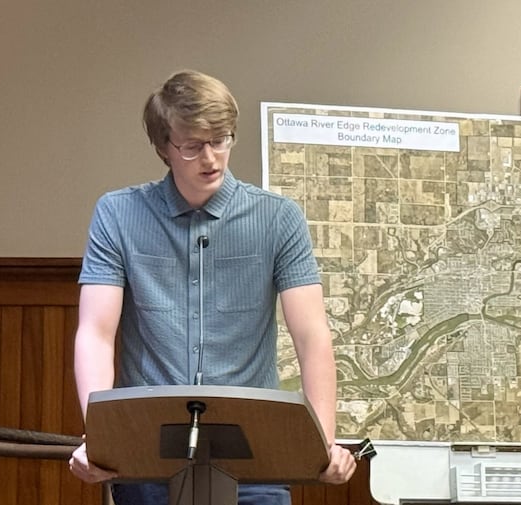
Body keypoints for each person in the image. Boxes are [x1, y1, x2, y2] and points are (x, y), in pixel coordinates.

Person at [68, 69, 357, 505]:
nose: (211, 158)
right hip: (147, 456)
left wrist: (324, 441)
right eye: (192, 146)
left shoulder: (279, 218)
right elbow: (95, 331)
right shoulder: (118, 214)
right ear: (163, 148)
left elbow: (312, 335)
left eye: (221, 139)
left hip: (256, 455)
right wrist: (101, 435)